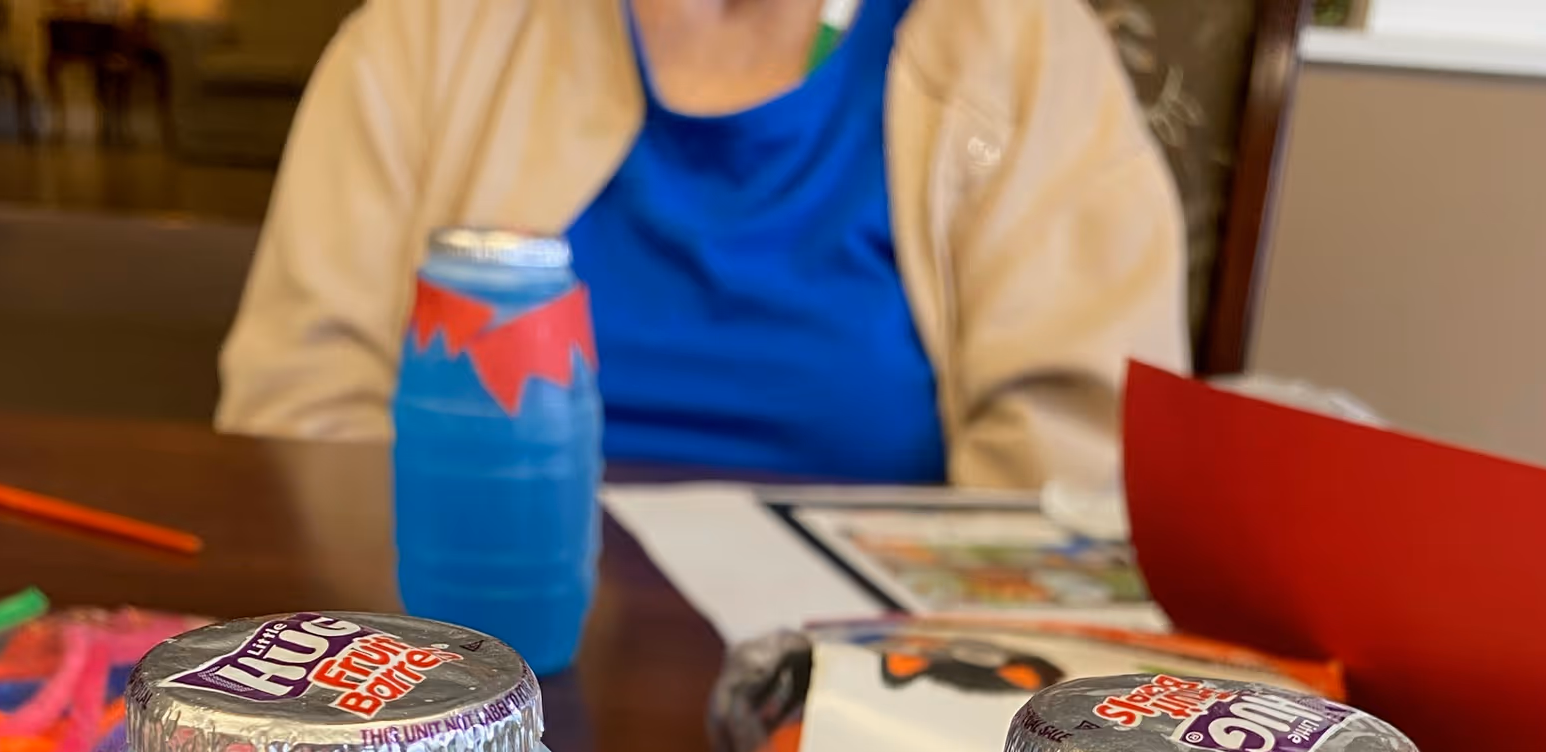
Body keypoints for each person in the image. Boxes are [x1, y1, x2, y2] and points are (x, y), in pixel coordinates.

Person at [216, 0, 1188, 489]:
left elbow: (1081, 481)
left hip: (868, 703)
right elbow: (303, 411)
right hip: (465, 677)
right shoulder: (425, 35)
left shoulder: (1022, 45)